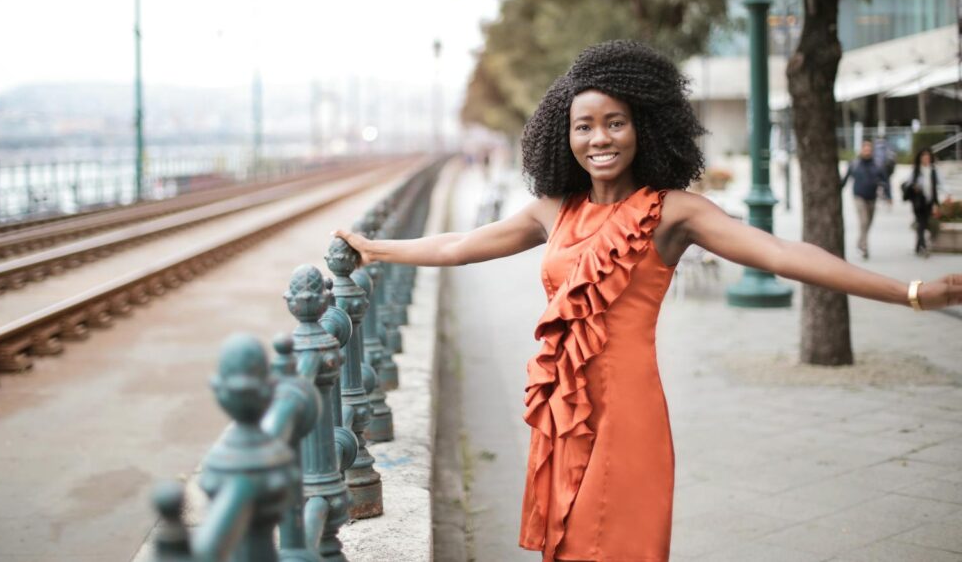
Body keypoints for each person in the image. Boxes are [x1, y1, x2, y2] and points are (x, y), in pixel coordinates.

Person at [334, 40, 962, 562]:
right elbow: (463, 244)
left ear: (643, 129)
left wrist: (909, 292)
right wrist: (377, 250)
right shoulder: (555, 210)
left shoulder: (673, 213)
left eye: (615, 122)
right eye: (585, 126)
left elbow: (780, 254)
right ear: (565, 134)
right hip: (565, 410)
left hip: (629, 415)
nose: (599, 138)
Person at [841, 139, 891, 259]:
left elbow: (885, 180)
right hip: (859, 196)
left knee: (868, 223)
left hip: (872, 197)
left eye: (869, 149)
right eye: (865, 149)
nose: (867, 151)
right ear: (861, 150)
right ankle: (864, 247)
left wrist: (889, 196)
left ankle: (860, 241)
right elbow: (846, 178)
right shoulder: (855, 163)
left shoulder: (878, 164)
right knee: (863, 222)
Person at [904, 147, 940, 257]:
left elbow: (938, 186)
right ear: (920, 158)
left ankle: (918, 246)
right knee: (921, 222)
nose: (926, 158)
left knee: (923, 224)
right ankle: (923, 246)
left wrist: (939, 200)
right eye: (924, 156)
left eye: (928, 156)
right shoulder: (915, 171)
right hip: (918, 202)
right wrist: (914, 187)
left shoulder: (933, 171)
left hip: (929, 202)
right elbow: (907, 184)